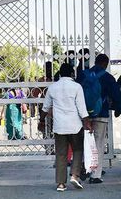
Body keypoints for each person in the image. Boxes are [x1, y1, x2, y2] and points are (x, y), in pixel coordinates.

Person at [39, 63, 91, 191]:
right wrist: (87, 122)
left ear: (60, 74)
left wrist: (41, 120)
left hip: (60, 127)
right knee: (78, 150)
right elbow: (82, 108)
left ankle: (61, 184)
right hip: (75, 126)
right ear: (72, 74)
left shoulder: (53, 87)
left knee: (61, 154)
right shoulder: (77, 87)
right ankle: (74, 175)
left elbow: (45, 107)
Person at [77, 54, 121, 184]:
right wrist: (118, 109)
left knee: (85, 143)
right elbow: (116, 95)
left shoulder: (83, 75)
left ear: (95, 62)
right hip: (101, 114)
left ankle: (85, 167)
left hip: (84, 115)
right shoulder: (108, 77)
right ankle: (95, 175)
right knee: (99, 143)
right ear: (106, 64)